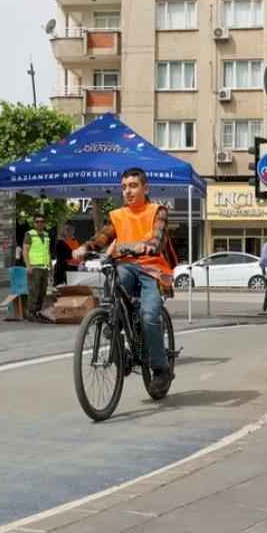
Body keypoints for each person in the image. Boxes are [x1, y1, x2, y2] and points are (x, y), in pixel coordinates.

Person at [73, 168, 174, 395]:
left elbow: (157, 241)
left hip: (152, 269)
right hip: (126, 265)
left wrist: (144, 246)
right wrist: (85, 248)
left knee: (149, 316)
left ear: (145, 188)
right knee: (114, 288)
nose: (128, 191)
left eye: (133, 186)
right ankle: (113, 325)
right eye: (124, 187)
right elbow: (103, 236)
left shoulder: (158, 211)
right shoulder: (118, 215)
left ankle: (161, 369)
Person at [22, 214, 52, 322]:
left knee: (42, 292)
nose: (40, 223)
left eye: (42, 221)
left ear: (44, 223)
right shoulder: (29, 234)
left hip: (44, 267)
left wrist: (50, 266)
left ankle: (38, 312)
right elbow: (25, 251)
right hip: (34, 267)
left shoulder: (46, 235)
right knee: (34, 291)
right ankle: (30, 313)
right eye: (37, 221)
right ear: (34, 223)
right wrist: (28, 266)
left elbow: (47, 251)